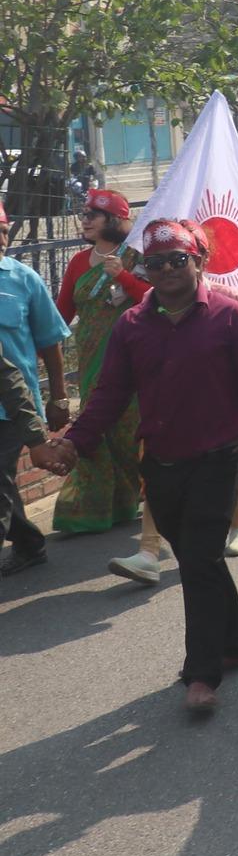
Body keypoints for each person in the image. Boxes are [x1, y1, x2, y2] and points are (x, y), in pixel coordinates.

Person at [44, 220, 238, 711]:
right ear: (144, 269)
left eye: (177, 259)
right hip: (161, 465)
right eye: (156, 262)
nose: (167, 269)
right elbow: (108, 396)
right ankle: (232, 645)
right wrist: (73, 443)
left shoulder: (232, 318)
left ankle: (201, 673)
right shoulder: (132, 326)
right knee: (199, 558)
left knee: (197, 560)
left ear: (199, 260)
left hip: (217, 460)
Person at [55, 190, 147, 539]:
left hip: (132, 361)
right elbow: (62, 314)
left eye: (93, 214)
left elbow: (154, 299)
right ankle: (90, 510)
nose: (85, 220)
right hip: (91, 362)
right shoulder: (79, 262)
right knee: (95, 429)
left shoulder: (137, 257)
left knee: (127, 433)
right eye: (84, 214)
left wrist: (123, 276)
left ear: (115, 220)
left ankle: (133, 499)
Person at [0, 201, 73, 577]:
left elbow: (50, 340)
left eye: (2, 231)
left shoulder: (24, 279)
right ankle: (29, 543)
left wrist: (58, 396)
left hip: (14, 406)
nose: (0, 239)